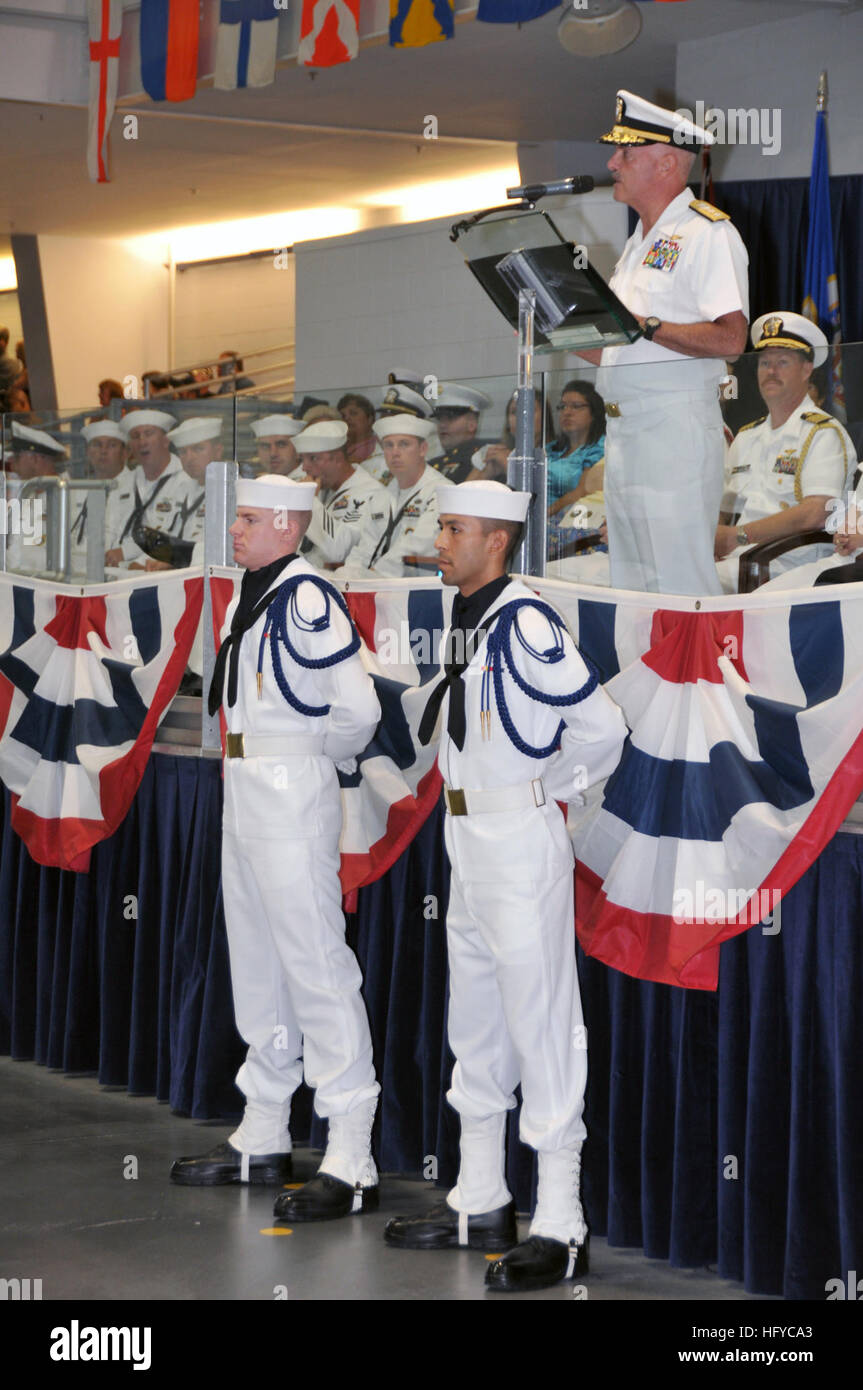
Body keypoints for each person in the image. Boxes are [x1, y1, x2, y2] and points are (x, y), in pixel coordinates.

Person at [383, 479, 627, 1292]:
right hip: (465, 832)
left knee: (542, 1023)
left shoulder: (524, 622)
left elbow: (599, 728)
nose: (439, 539)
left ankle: (560, 1221)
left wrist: (548, 793)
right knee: (477, 1018)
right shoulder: (467, 619)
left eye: (454, 528)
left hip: (517, 832)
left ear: (496, 540)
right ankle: (480, 1196)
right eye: (441, 526)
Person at [171, 474, 382, 1224]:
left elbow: (357, 709)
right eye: (237, 519)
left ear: (290, 526)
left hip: (290, 777)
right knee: (257, 957)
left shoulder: (307, 595)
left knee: (315, 961)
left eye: (250, 519)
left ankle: (350, 1150)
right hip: (246, 774)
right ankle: (264, 1129)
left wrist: (305, 755)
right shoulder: (250, 590)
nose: (234, 530)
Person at [580, 89, 749, 595]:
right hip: (624, 432)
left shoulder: (707, 233)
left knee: (680, 586)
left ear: (667, 164)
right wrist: (554, 321)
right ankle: (642, 677)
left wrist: (647, 323)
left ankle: (699, 679)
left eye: (625, 153)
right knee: (631, 586)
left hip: (674, 429)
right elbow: (619, 346)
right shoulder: (636, 245)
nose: (612, 162)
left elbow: (732, 339)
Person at [714, 312, 854, 593]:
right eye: (764, 362)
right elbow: (725, 510)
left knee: (686, 585)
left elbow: (814, 514)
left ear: (806, 370)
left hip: (788, 564)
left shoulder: (822, 432)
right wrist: (713, 542)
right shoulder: (747, 436)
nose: (771, 371)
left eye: (782, 362)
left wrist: (737, 537)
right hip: (738, 558)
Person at [335, 414, 442, 577]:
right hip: (376, 584)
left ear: (423, 449)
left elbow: (421, 544)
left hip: (415, 587)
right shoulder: (382, 496)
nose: (395, 452)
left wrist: (374, 574)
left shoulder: (440, 491)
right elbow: (365, 547)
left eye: (404, 444)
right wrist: (348, 574)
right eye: (388, 445)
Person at [105, 409, 198, 569]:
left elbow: (173, 536)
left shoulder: (185, 480)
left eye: (149, 434)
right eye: (135, 436)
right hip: (112, 569)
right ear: (130, 446)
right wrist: (104, 555)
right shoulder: (124, 483)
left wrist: (128, 556)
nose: (142, 442)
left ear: (166, 440)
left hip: (153, 569)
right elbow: (108, 529)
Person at [293, 419, 391, 569]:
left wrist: (308, 499)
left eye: (313, 458)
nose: (304, 467)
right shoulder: (323, 489)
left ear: (338, 458)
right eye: (302, 459)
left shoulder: (370, 493)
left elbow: (339, 551)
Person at [466, 391, 555, 484]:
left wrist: (509, 465)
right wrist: (487, 472)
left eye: (529, 410)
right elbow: (462, 494)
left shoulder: (558, 455)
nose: (521, 416)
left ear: (545, 417)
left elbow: (538, 494)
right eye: (514, 412)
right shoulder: (497, 451)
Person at [546, 381, 606, 514]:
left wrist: (546, 513)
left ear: (594, 413)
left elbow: (583, 491)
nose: (567, 412)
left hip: (573, 521)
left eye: (576, 406)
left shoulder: (600, 447)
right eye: (562, 406)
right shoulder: (551, 448)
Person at [430, 384, 492, 484]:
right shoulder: (433, 465)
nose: (442, 425)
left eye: (450, 418)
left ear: (472, 424)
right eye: (440, 418)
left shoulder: (482, 462)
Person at [337, 392, 378, 466]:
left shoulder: (377, 447)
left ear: (369, 419)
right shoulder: (338, 447)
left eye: (353, 413)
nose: (347, 418)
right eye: (343, 416)